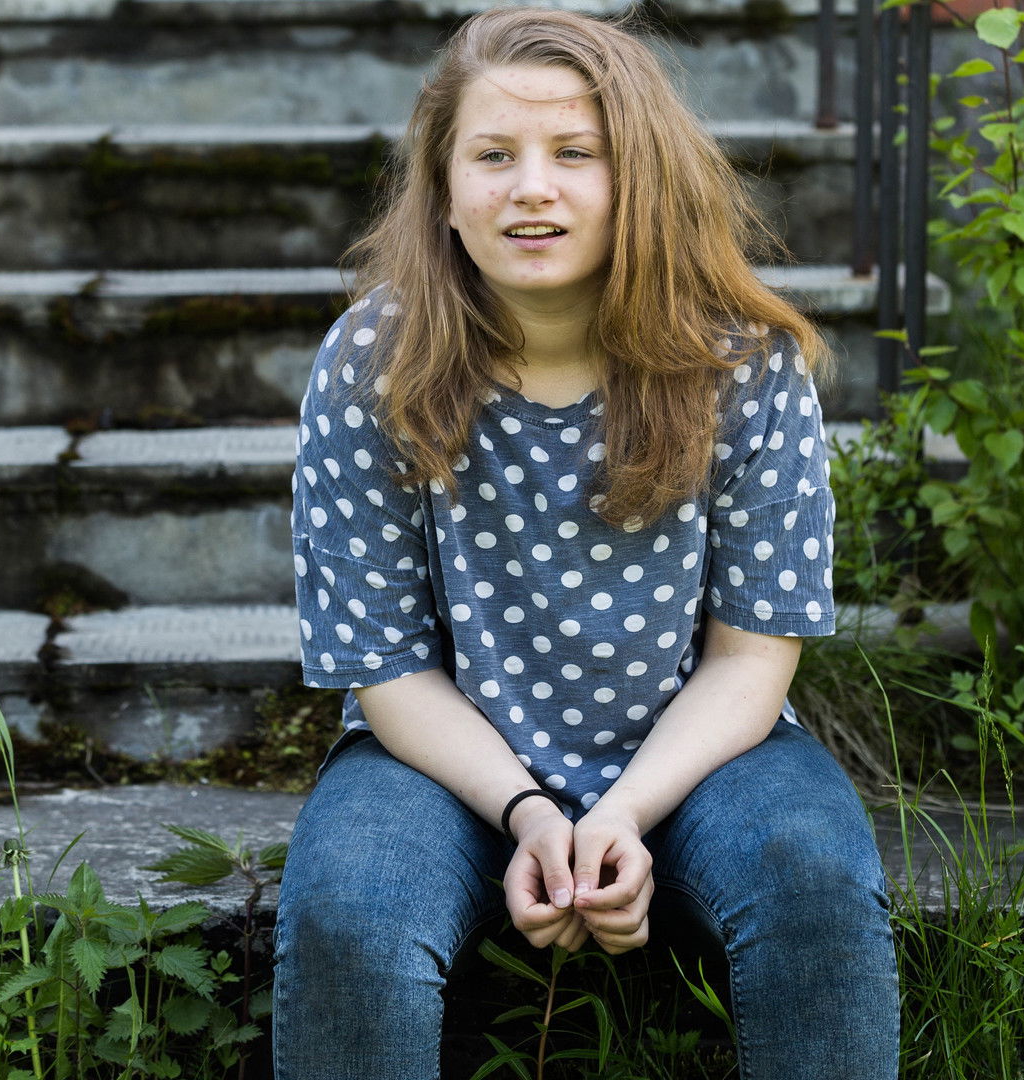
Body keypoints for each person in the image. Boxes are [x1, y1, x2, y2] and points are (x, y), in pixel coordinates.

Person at [274, 7, 898, 1077]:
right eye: (493, 155)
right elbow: (387, 667)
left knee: (816, 882)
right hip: (439, 757)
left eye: (576, 153)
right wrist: (526, 810)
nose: (532, 187)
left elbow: (750, 662)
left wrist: (625, 812)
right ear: (443, 189)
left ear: (642, 178)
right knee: (349, 912)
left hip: (704, 749)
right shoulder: (373, 359)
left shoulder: (742, 363)